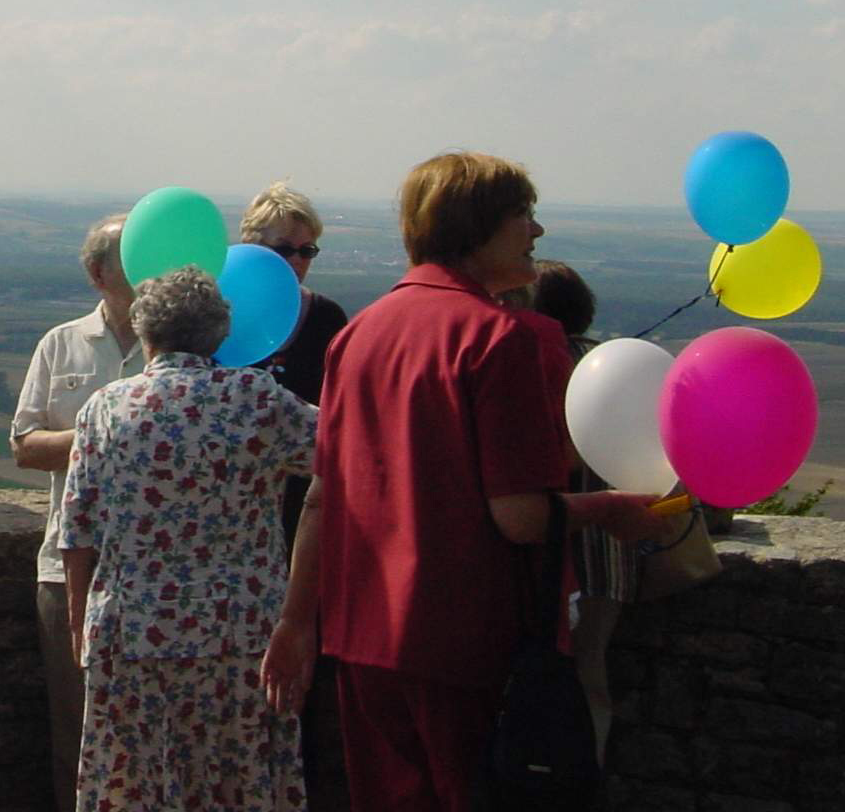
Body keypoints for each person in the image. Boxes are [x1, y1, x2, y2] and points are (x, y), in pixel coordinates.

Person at [270, 152, 665, 812]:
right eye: (522, 215)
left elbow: (322, 496)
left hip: (363, 635)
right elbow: (520, 516)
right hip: (467, 641)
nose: (535, 232)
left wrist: (296, 621)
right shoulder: (497, 338)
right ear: (476, 226)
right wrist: (612, 509)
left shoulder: (359, 334)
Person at [61, 266, 317, 812]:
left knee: (137, 779)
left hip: (133, 632)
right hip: (242, 632)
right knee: (238, 777)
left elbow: (78, 529)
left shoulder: (105, 409)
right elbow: (348, 449)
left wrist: (79, 619)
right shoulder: (257, 398)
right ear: (220, 333)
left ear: (146, 333)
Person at [9, 213, 144, 812]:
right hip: (69, 568)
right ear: (97, 273)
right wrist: (102, 431)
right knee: (78, 731)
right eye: (132, 260)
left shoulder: (183, 346)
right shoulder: (60, 343)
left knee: (150, 735)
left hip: (154, 568)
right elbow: (24, 446)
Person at [530, 259, 633, 763]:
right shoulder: (610, 366)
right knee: (590, 674)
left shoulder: (536, 364)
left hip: (550, 545)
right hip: (608, 552)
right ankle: (585, 772)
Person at [238, 182, 347, 550]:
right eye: (285, 249)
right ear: (252, 247)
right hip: (233, 496)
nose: (297, 260)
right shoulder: (219, 317)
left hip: (304, 498)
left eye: (307, 250)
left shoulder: (326, 318)